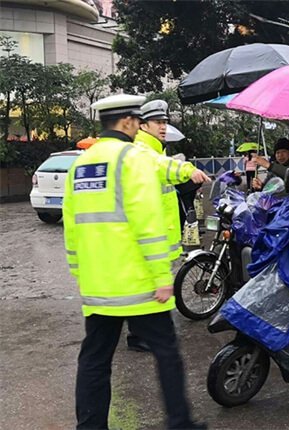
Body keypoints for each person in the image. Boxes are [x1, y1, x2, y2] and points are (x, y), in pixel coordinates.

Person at [63, 94, 206, 430]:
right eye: (139, 121)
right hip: (139, 286)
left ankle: (90, 426)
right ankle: (180, 422)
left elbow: (72, 228)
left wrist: (80, 275)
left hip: (98, 288)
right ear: (128, 122)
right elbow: (148, 224)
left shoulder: (81, 164)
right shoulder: (133, 159)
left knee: (94, 360)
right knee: (167, 353)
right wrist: (162, 276)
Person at [127, 99, 209, 352]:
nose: (163, 126)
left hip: (159, 229)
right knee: (148, 284)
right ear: (143, 125)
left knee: (153, 284)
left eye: (165, 122)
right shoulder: (143, 149)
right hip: (151, 231)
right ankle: (140, 336)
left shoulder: (156, 148)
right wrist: (187, 169)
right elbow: (160, 168)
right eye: (157, 122)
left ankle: (146, 333)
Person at [252, 138, 289, 204]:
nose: (280, 155)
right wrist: (261, 187)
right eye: (278, 152)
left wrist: (268, 165)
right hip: (277, 207)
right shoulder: (273, 168)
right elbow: (270, 188)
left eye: (284, 151)